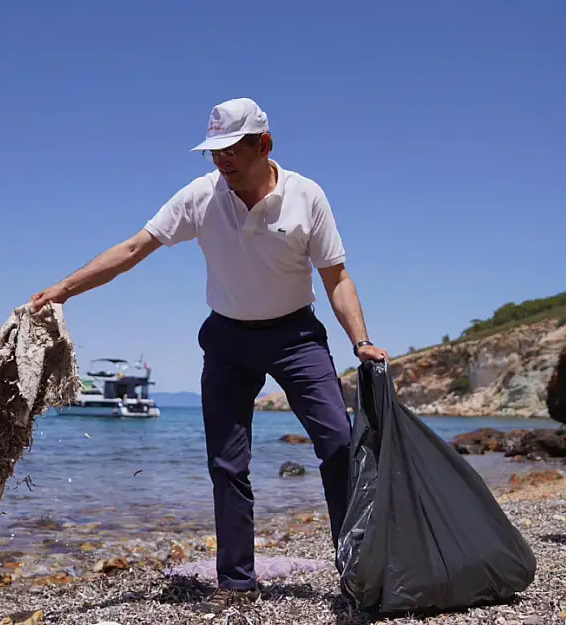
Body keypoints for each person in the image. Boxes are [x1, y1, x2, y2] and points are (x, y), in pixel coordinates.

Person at [27, 97, 388, 612]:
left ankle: (358, 572)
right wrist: (64, 288)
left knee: (337, 447)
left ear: (263, 144)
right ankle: (237, 585)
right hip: (227, 340)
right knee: (226, 463)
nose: (221, 161)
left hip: (296, 338)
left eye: (230, 150)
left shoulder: (307, 195)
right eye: (213, 151)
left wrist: (359, 341)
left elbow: (337, 276)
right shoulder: (200, 197)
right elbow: (133, 249)